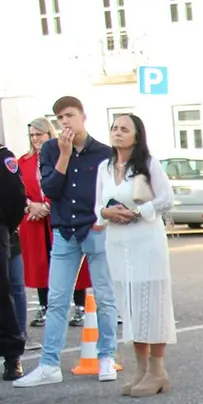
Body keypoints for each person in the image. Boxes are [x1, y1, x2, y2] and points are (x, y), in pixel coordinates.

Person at [15, 96, 118, 388]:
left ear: (83, 116)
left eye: (69, 115)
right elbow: (50, 188)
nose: (65, 122)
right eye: (60, 118)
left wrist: (105, 216)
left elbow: (111, 191)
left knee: (105, 297)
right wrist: (63, 154)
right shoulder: (50, 149)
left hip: (94, 228)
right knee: (58, 298)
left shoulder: (102, 153)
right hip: (64, 231)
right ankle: (49, 364)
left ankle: (106, 356)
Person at [92, 114, 176, 398]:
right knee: (129, 305)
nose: (117, 133)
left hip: (146, 241)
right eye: (114, 128)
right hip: (117, 243)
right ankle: (140, 368)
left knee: (152, 304)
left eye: (124, 129)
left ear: (137, 135)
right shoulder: (105, 167)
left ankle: (157, 370)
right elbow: (97, 205)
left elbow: (166, 199)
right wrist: (106, 212)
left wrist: (139, 212)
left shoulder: (148, 164)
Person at [18, 118, 91, 337]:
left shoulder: (62, 156)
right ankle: (44, 307)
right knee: (41, 264)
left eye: (39, 134)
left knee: (72, 261)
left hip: (60, 216)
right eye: (32, 135)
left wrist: (48, 206)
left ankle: (79, 306)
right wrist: (31, 206)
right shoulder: (23, 161)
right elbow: (17, 190)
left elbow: (66, 184)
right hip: (33, 219)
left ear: (49, 134)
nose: (35, 139)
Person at [0, 144, 25, 376]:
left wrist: (7, 226)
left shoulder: (3, 156)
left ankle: (11, 356)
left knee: (2, 294)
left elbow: (15, 197)